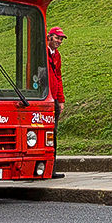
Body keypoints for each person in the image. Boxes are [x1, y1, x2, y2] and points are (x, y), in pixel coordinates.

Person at [47, 26, 66, 179]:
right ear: (49, 37)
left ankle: (52, 168)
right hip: (44, 98)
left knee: (53, 133)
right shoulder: (43, 53)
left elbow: (58, 77)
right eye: (57, 38)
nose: (59, 41)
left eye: (60, 39)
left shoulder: (57, 55)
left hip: (54, 98)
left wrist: (60, 99)